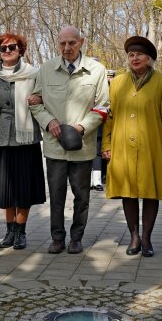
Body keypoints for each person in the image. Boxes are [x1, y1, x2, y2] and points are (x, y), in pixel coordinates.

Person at [29, 26, 109, 254]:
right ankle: (57, 238)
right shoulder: (46, 69)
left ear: (81, 42)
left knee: (82, 195)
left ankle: (76, 237)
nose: (67, 48)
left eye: (72, 43)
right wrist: (49, 122)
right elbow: (35, 102)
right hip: (54, 148)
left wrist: (82, 127)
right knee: (56, 196)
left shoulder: (96, 70)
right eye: (62, 43)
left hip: (82, 147)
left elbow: (103, 106)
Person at [103, 36, 162, 257]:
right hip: (122, 146)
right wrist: (106, 144)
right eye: (131, 55)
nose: (134, 58)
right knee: (128, 192)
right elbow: (110, 117)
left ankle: (146, 238)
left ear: (150, 59)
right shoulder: (117, 82)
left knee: (150, 191)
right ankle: (134, 236)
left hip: (152, 146)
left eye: (139, 55)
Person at [0, 33, 46, 250]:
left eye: (12, 47)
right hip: (1, 138)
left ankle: (21, 233)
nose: (8, 51)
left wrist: (41, 98)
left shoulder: (35, 74)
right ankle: (9, 232)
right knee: (5, 189)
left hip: (26, 138)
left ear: (20, 50)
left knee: (23, 188)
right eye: (3, 48)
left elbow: (48, 97)